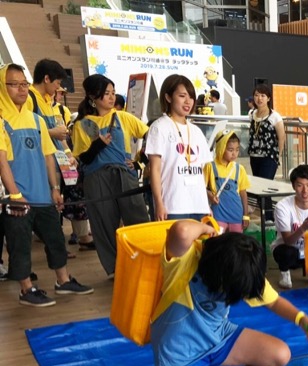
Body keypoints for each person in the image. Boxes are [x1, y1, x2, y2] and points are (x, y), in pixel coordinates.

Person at [151, 219, 308, 366]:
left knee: (280, 354)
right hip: (180, 354)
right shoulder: (185, 261)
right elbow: (181, 231)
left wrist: (301, 319)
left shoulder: (242, 270)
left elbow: (274, 302)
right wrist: (207, 229)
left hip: (218, 336)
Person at [0, 63, 93, 307]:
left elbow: (48, 155)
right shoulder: (1, 120)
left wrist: (54, 189)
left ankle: (63, 281)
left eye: (24, 83)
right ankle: (26, 290)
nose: (22, 89)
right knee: (20, 245)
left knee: (55, 239)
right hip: (18, 199)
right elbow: (2, 162)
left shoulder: (36, 120)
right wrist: (15, 195)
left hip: (43, 195)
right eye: (14, 84)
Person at [72, 74, 151, 277]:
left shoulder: (122, 117)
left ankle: (147, 262)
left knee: (138, 218)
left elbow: (151, 135)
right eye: (106, 93)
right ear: (93, 96)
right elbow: (83, 158)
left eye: (113, 93)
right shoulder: (82, 124)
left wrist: (140, 161)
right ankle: (117, 270)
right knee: (104, 224)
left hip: (125, 175)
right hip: (96, 178)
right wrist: (98, 145)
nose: (111, 97)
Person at [27, 60, 94, 253]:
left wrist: (68, 155)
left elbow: (60, 135)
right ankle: (55, 248)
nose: (58, 88)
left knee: (59, 202)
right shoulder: (30, 98)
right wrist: (52, 133)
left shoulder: (49, 102)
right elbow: (27, 131)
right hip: (42, 164)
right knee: (47, 208)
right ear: (46, 79)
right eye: (57, 83)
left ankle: (61, 246)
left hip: (57, 163)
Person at [146, 74, 214, 221]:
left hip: (198, 205)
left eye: (191, 96)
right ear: (168, 97)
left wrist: (205, 204)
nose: (188, 101)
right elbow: (155, 169)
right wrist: (159, 203)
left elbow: (201, 171)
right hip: (173, 205)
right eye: (182, 96)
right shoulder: (159, 127)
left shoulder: (196, 131)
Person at [271, 164, 308, 289]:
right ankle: (284, 273)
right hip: (290, 250)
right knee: (286, 252)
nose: (305, 191)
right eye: (300, 185)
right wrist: (303, 228)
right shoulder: (282, 206)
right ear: (293, 186)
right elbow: (288, 241)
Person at [204, 130, 249, 233]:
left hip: (236, 214)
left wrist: (245, 215)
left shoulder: (239, 169)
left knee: (236, 241)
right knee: (218, 240)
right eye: (230, 150)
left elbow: (243, 194)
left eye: (237, 150)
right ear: (221, 148)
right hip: (218, 215)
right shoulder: (210, 167)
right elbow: (201, 188)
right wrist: (210, 195)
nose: (234, 153)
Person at [248, 83, 285, 179]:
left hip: (269, 156)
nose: (259, 98)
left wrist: (278, 156)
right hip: (254, 155)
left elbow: (281, 138)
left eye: (263, 95)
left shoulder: (274, 116)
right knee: (258, 184)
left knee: (265, 184)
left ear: (268, 98)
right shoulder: (251, 114)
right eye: (256, 95)